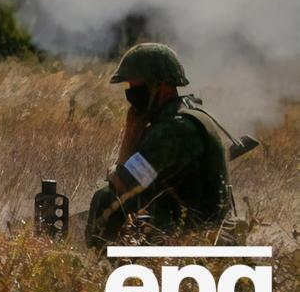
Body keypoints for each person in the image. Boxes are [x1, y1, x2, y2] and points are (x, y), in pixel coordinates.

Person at [85, 42, 233, 247]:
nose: (131, 94)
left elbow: (123, 184)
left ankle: (102, 262)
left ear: (161, 86)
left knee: (105, 199)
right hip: (201, 232)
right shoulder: (183, 115)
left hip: (196, 239)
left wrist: (130, 133)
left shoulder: (173, 129)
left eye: (136, 87)